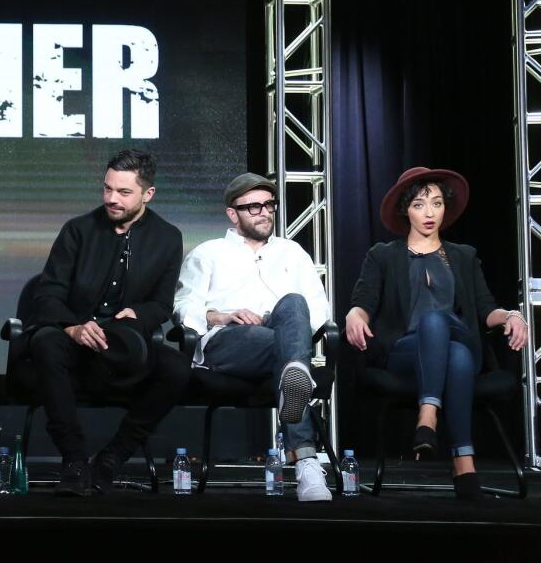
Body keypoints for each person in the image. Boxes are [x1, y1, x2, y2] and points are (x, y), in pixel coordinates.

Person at [345, 167, 527, 499]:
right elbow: (362, 303)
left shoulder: (464, 256)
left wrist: (512, 315)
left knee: (441, 327)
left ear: (446, 206)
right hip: (407, 353)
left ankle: (427, 416)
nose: (430, 213)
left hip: (461, 340)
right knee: (438, 333)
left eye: (437, 203)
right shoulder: (384, 255)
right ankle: (464, 465)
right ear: (405, 210)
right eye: (419, 204)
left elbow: (487, 309)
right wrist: (353, 315)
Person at [27, 149, 190, 496]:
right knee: (44, 342)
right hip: (76, 344)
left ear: (148, 194)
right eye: (107, 189)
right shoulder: (78, 230)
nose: (112, 199)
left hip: (124, 347)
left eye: (123, 192)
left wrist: (139, 315)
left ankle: (112, 459)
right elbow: (47, 295)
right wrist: (73, 327)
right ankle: (74, 459)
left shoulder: (167, 238)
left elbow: (162, 304)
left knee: (176, 367)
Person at [175, 172, 333, 501]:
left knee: (294, 304)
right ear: (232, 213)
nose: (264, 212)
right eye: (254, 207)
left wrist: (277, 326)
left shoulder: (293, 253)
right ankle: (306, 458)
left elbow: (318, 311)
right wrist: (220, 315)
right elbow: (183, 306)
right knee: (290, 354)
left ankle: (295, 382)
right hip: (228, 340)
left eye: (269, 205)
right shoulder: (209, 253)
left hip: (278, 338)